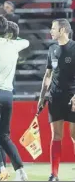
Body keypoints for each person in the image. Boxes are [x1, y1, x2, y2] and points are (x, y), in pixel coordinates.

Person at [0, 16, 29, 181]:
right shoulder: (14, 44)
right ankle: (21, 170)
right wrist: (11, 36)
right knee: (4, 136)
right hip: (8, 94)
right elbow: (26, 41)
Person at [38, 19, 75, 181]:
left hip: (72, 97)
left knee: (74, 135)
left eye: (53, 28)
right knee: (56, 135)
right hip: (55, 97)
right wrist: (41, 97)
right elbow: (47, 75)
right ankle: (54, 174)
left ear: (63, 30)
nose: (51, 31)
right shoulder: (52, 49)